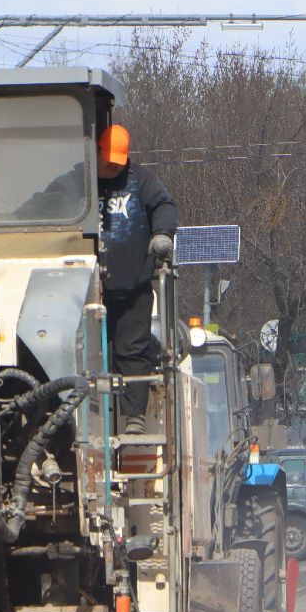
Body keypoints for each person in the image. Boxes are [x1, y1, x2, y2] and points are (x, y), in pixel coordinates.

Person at [97, 123, 177, 434]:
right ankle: (89, 415)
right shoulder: (82, 181)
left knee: (132, 350)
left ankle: (134, 417)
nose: (112, 166)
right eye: (107, 160)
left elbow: (164, 205)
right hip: (93, 291)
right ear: (97, 152)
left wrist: (161, 234)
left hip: (134, 287)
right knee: (92, 354)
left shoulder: (141, 180)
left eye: (117, 161)